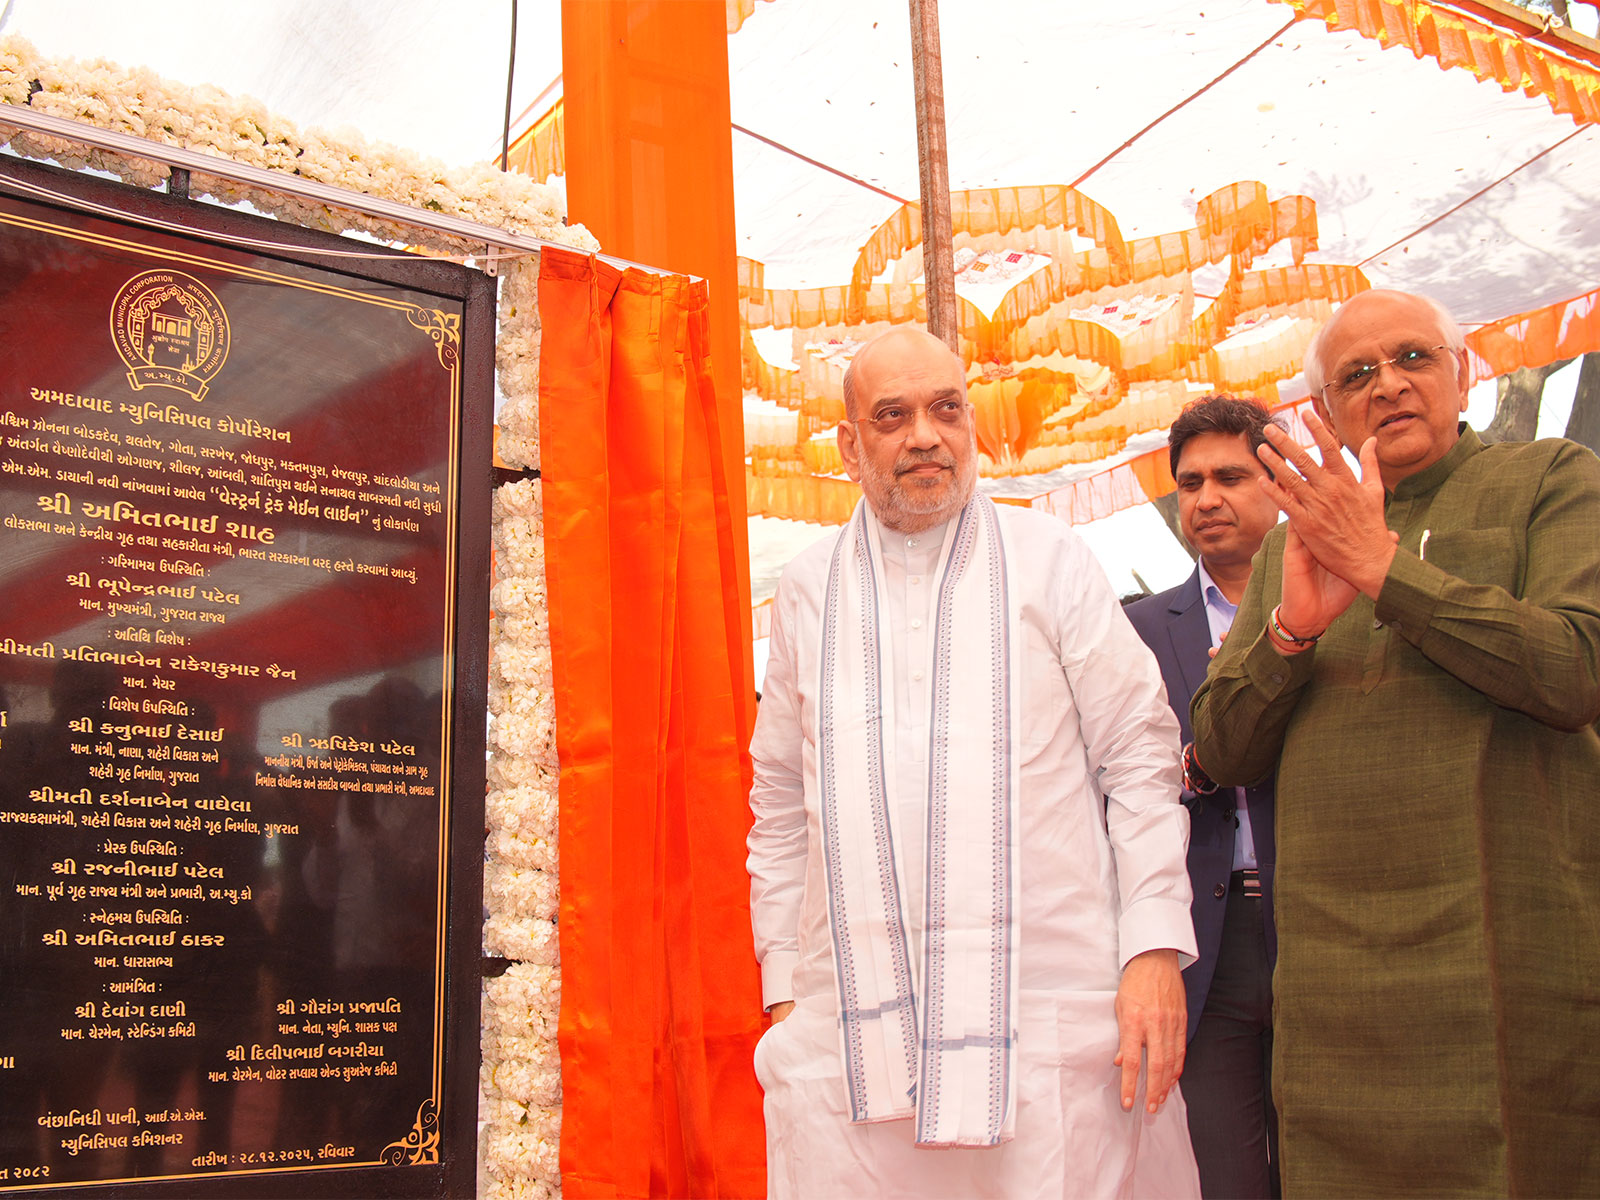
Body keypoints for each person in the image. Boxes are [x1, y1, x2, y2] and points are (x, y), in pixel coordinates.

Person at [747, 325, 1201, 1199]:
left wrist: (1151, 947)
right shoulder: (807, 587)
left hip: (1054, 1023)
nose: (926, 435)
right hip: (848, 1040)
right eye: (893, 415)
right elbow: (779, 805)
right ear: (849, 446)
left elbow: (1139, 759)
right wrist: (786, 990)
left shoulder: (1050, 559)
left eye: (946, 409)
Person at [1191, 289, 1600, 1196]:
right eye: (1357, 375)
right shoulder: (1286, 550)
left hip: (1514, 954)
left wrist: (1382, 568)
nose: (1389, 385)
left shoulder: (1552, 477)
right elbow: (1220, 751)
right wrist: (1292, 633)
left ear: (1465, 374)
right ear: (1325, 411)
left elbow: (1575, 670)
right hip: (1335, 983)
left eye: (1414, 358)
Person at [1125, 394, 1282, 1200]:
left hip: (1323, 931)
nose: (1206, 499)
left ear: (1278, 482)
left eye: (1230, 477)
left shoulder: (1342, 604)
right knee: (1223, 1177)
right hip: (1199, 945)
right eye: (1190, 484)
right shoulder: (1138, 630)